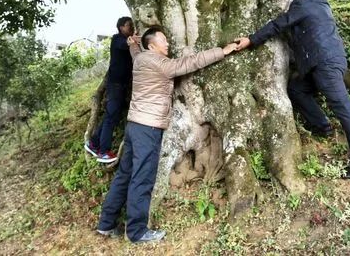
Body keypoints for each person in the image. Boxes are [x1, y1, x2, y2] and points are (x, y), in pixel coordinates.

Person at [96, 26, 238, 243]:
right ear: (152, 45)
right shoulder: (160, 63)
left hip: (134, 125)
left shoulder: (141, 58)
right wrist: (223, 51)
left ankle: (106, 224)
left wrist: (133, 43)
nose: (168, 43)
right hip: (148, 128)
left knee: (124, 174)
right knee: (142, 178)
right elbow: (189, 63)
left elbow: (135, 50)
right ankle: (136, 232)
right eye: (163, 40)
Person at [236, 0, 350, 180]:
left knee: (342, 106)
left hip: (324, 64)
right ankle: (322, 126)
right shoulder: (322, 5)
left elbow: (279, 24)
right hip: (325, 62)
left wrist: (251, 40)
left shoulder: (305, 4)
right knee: (297, 89)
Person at [85, 17, 135, 163]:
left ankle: (94, 143)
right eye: (128, 25)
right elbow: (125, 44)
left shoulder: (125, 40)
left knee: (110, 115)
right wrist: (134, 40)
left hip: (120, 86)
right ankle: (103, 151)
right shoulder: (118, 39)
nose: (131, 27)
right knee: (110, 118)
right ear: (121, 27)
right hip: (115, 86)